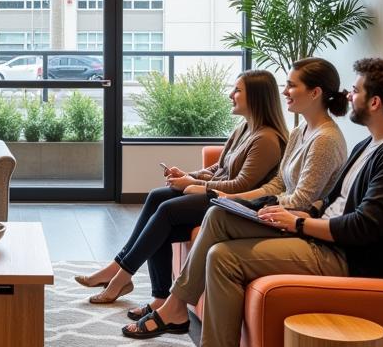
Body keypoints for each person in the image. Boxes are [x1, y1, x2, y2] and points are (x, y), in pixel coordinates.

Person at [141, 57, 383, 347]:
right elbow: (331, 199)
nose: (349, 95)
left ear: (375, 102)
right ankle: (177, 310)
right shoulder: (370, 145)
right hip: (317, 234)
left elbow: (362, 227)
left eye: (356, 91)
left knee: (224, 257)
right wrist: (288, 212)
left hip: (342, 257)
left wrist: (296, 223)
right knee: (218, 215)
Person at [121, 56, 349, 335]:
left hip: (292, 223)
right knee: (180, 203)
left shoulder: (325, 140)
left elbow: (301, 199)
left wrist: (248, 202)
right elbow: (278, 182)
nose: (285, 92)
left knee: (209, 213)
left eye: (292, 86)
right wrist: (244, 200)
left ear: (315, 93)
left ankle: (170, 304)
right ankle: (166, 301)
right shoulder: (301, 131)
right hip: (275, 211)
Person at [76, 70, 288, 305]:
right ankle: (149, 291)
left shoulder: (266, 139)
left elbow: (241, 185)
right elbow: (218, 168)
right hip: (216, 194)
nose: (230, 95)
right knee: (158, 197)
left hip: (233, 202)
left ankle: (119, 278)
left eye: (237, 90)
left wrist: (193, 183)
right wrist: (188, 175)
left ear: (257, 97)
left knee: (166, 212)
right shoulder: (244, 129)